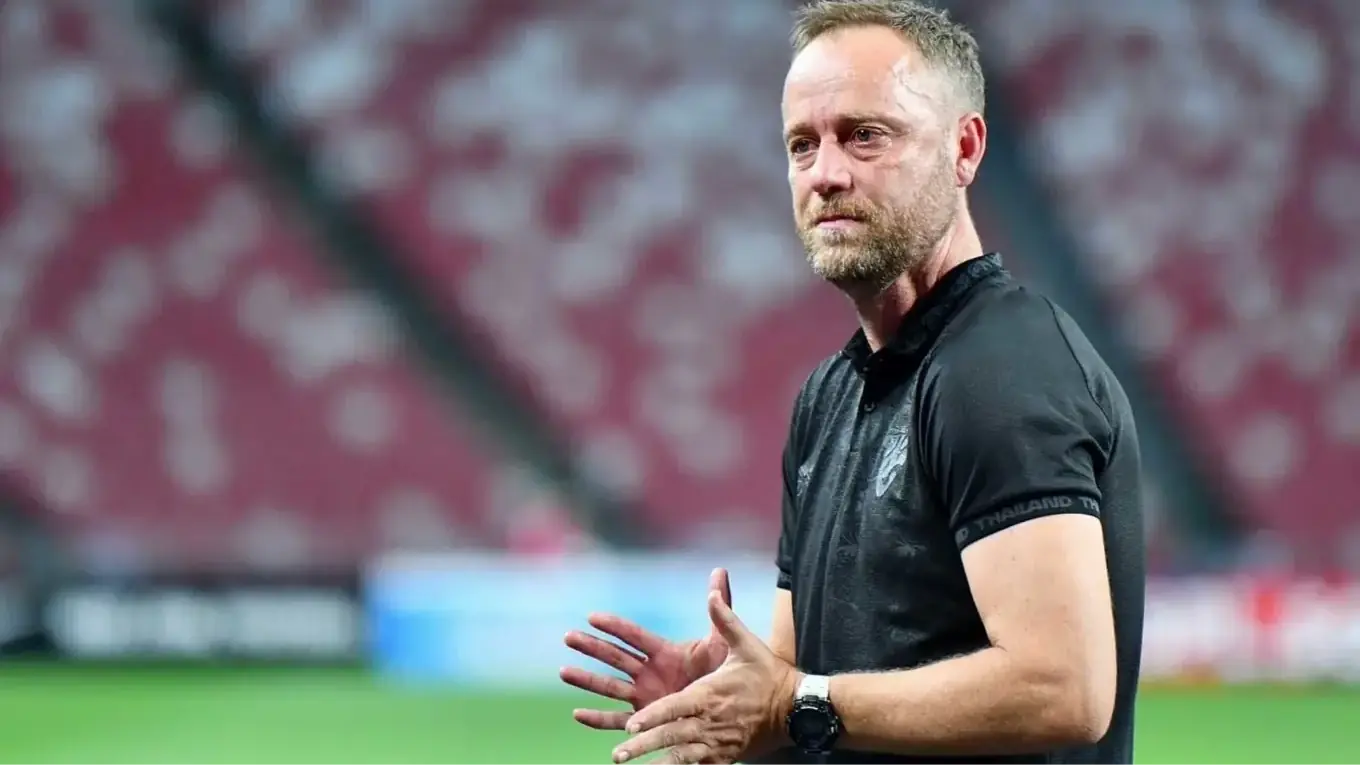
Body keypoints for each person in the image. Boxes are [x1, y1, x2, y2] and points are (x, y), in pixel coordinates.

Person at [560, 2, 1145, 763]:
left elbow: (1065, 687)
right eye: (802, 145)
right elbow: (803, 701)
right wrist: (732, 707)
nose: (827, 174)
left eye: (866, 136)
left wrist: (792, 702)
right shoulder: (828, 397)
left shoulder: (1006, 370)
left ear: (964, 148)